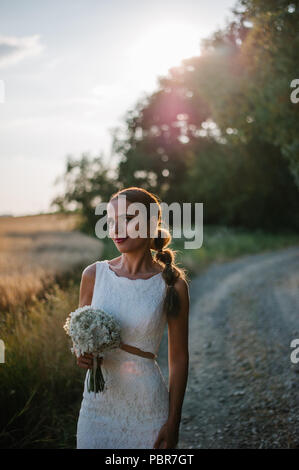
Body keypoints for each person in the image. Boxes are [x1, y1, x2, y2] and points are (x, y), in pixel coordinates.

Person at [76, 186, 189, 449]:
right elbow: (78, 337)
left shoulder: (172, 285)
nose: (116, 228)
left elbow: (179, 358)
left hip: (148, 409)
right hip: (97, 408)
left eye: (128, 219)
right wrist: (81, 355)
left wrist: (173, 423)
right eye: (112, 221)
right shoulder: (93, 275)